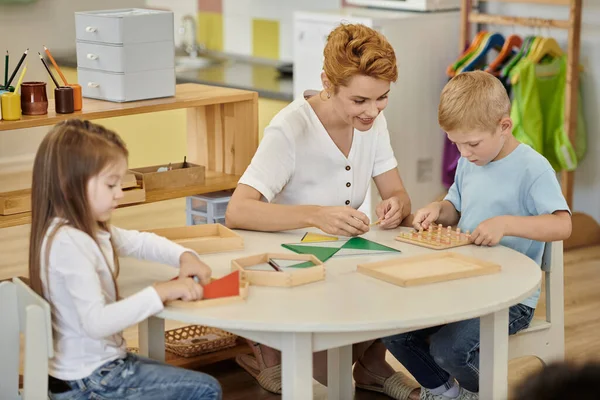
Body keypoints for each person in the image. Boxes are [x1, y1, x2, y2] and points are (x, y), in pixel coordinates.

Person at [225, 23, 415, 399]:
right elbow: (237, 211)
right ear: (328, 83)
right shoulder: (290, 128)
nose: (372, 111)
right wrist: (315, 215)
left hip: (343, 260)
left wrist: (397, 206)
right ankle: (267, 348)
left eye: (382, 98)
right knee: (322, 375)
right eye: (359, 101)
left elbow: (396, 192)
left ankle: (373, 364)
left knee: (406, 280)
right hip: (293, 267)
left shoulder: (374, 123)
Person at [382, 71, 572, 400]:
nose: (464, 153)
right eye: (456, 143)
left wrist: (507, 224)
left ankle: (485, 392)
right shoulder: (471, 161)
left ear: (504, 126)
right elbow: (456, 207)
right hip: (465, 282)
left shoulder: (532, 169)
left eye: (471, 143)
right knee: (393, 330)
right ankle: (446, 392)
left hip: (511, 297)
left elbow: (562, 224)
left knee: (449, 350)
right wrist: (437, 209)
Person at [28, 119, 222, 400]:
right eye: (111, 184)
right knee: (206, 390)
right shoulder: (69, 243)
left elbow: (139, 242)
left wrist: (185, 255)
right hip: (90, 381)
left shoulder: (83, 228)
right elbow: (96, 322)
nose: (120, 193)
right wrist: (160, 291)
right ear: (69, 185)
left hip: (95, 371)